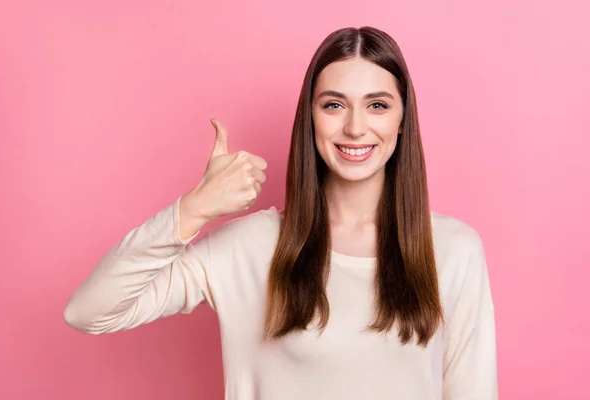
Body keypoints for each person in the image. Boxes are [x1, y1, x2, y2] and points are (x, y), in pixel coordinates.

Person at [63, 26, 498, 399]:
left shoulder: (453, 250)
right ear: (310, 119)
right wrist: (193, 209)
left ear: (403, 121)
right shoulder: (249, 246)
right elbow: (89, 312)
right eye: (333, 104)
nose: (355, 127)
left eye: (378, 105)